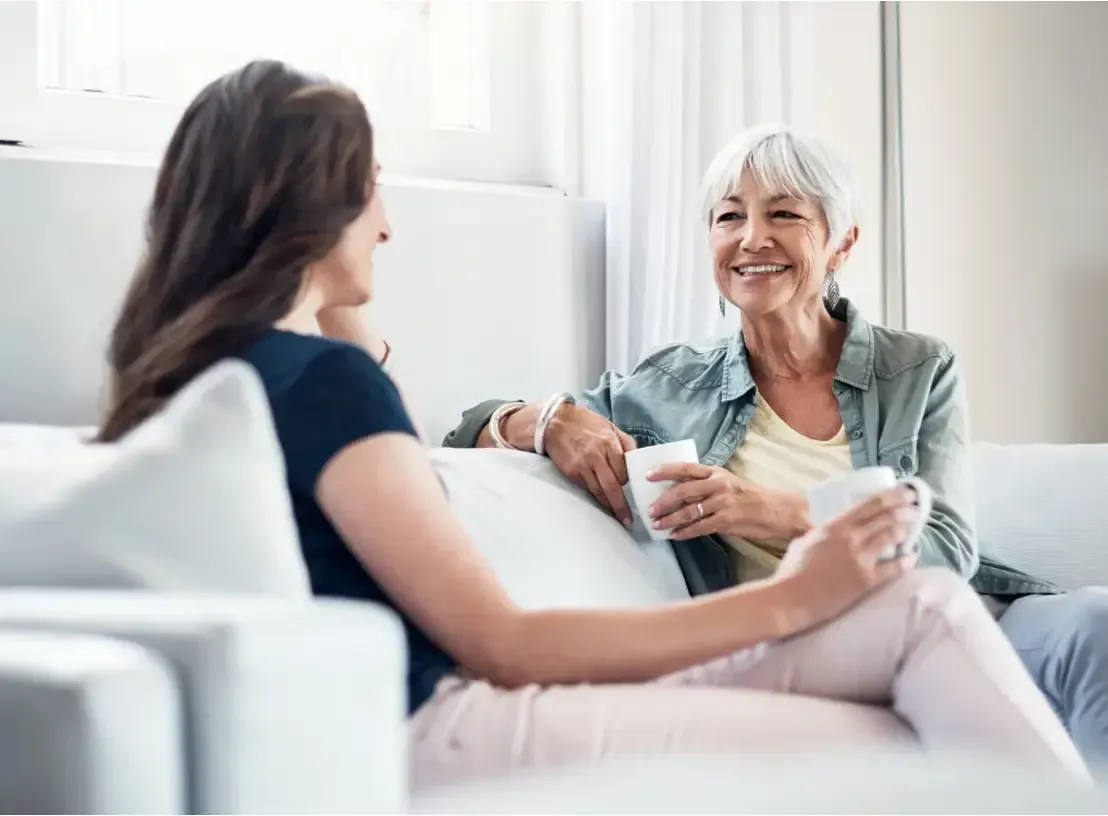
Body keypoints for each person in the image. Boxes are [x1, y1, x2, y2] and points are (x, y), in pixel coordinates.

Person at [96, 62, 1088, 790]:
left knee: (934, 622)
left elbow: (364, 362)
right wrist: (793, 597)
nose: (389, 223)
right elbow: (504, 642)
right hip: (440, 725)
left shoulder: (204, 376)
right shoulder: (314, 387)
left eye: (784, 215)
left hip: (421, 714)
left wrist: (316, 259)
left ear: (839, 244)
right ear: (310, 212)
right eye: (371, 189)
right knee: (915, 734)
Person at [443, 121, 1108, 772]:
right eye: (728, 217)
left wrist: (769, 511)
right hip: (808, 643)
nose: (751, 238)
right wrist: (551, 421)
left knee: (1092, 622)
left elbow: (948, 553)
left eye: (784, 213)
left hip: (968, 618)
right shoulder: (671, 386)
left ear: (842, 243)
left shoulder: (919, 369)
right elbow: (466, 428)